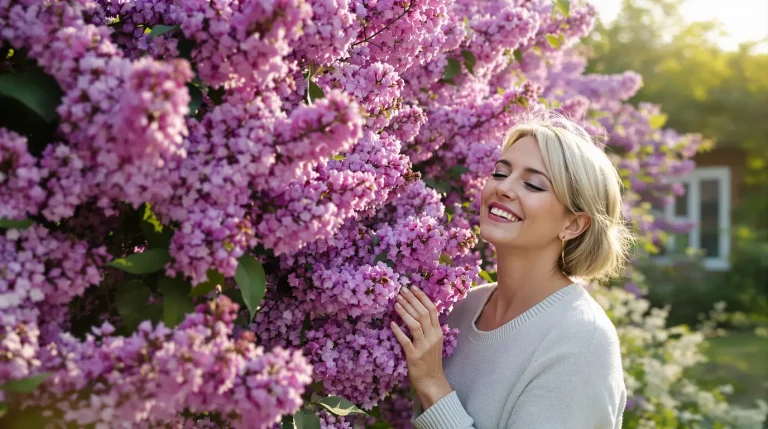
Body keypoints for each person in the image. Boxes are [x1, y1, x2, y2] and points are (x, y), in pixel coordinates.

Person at [390, 113, 631, 428]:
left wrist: (433, 382)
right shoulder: (461, 311)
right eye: (500, 173)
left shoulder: (582, 340)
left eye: (533, 184)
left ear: (573, 224)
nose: (503, 188)